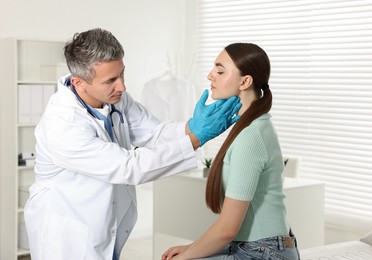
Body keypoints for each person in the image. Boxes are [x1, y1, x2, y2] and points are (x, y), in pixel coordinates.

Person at [24, 28, 241, 260]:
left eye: (122, 74)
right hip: (68, 237)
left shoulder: (114, 98)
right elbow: (129, 167)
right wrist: (196, 138)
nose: (122, 87)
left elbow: (155, 133)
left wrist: (192, 126)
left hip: (103, 227)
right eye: (111, 80)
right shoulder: (63, 124)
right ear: (79, 82)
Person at [162, 43, 301, 260]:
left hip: (265, 252)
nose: (210, 76)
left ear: (245, 81)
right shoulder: (251, 126)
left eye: (219, 71)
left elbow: (227, 230)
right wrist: (191, 249)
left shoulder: (251, 135)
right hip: (255, 246)